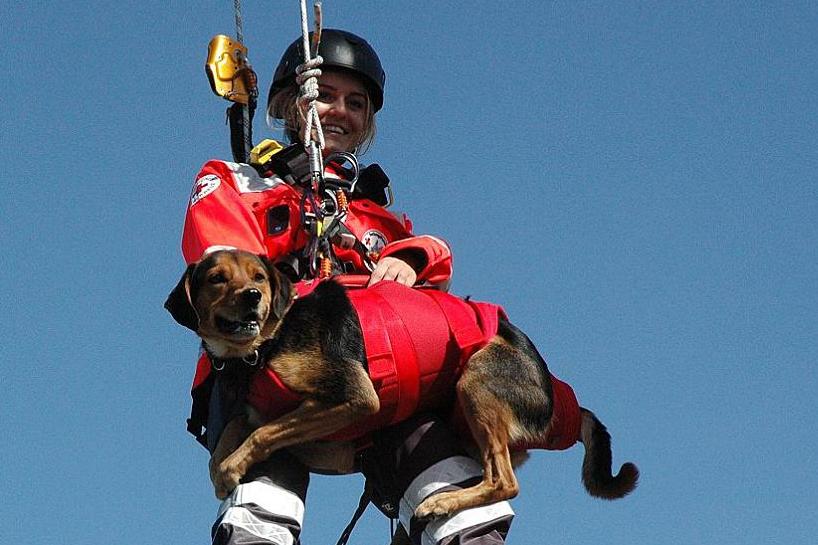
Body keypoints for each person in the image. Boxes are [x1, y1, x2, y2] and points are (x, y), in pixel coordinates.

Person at [179, 29, 514, 545]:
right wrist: (285, 204)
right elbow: (224, 262)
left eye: (355, 103)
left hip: (369, 375)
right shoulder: (240, 181)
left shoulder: (375, 211)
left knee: (457, 501)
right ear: (290, 103)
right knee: (260, 512)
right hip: (264, 378)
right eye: (325, 96)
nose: (339, 111)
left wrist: (411, 257)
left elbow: (428, 291)